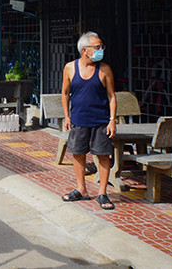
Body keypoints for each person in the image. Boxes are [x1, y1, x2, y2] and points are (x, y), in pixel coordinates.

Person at [61, 31, 117, 210]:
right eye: (97, 47)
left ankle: (102, 193)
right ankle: (81, 189)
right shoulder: (70, 68)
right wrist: (66, 116)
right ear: (85, 50)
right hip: (78, 119)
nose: (101, 50)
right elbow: (64, 93)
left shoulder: (105, 69)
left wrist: (112, 120)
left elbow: (111, 96)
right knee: (78, 153)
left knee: (102, 155)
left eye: (101, 47)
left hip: (101, 120)